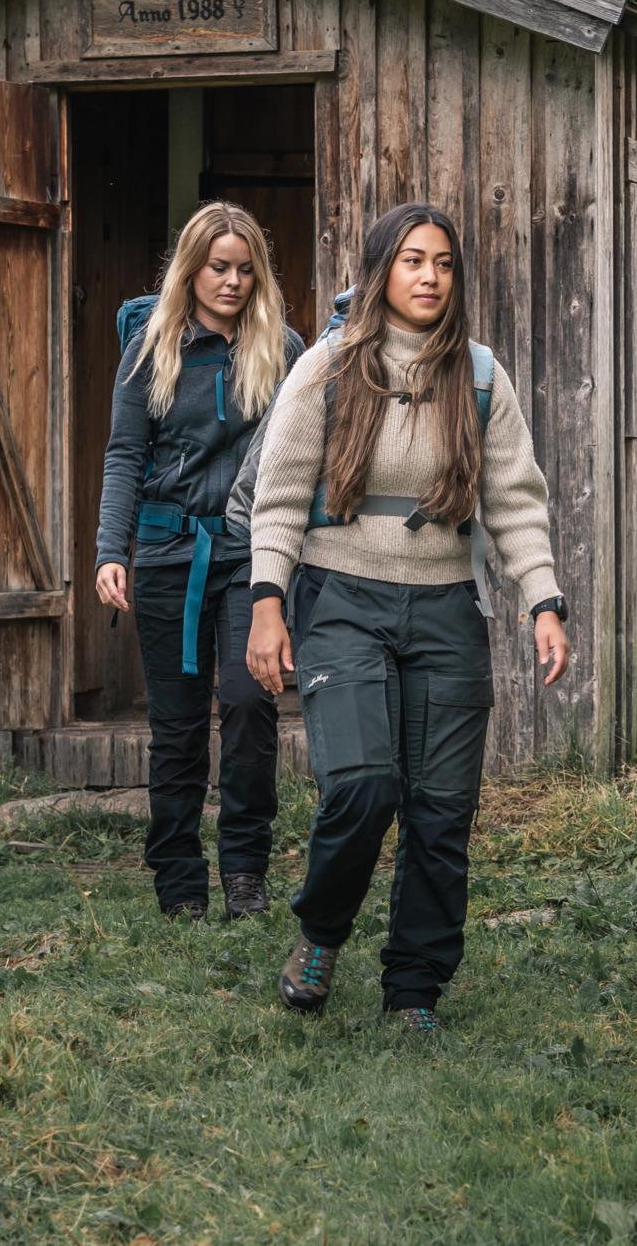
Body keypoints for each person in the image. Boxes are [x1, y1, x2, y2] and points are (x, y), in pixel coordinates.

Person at [244, 201, 570, 1034]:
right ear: (381, 270)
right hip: (341, 596)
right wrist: (267, 605)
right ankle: (321, 934)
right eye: (413, 260)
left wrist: (542, 599)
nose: (430, 276)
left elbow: (517, 501)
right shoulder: (326, 369)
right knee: (362, 785)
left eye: (445, 264)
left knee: (440, 810)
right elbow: (279, 496)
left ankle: (414, 990)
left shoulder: (481, 376)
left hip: (446, 607)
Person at [95, 202, 304, 921]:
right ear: (192, 267)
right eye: (220, 267)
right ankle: (178, 877)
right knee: (179, 725)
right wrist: (108, 551)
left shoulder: (284, 350)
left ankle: (245, 869)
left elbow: (307, 457)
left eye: (246, 270)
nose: (233, 282)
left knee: (250, 704)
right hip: (166, 553)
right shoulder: (151, 348)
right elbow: (124, 454)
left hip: (250, 554)